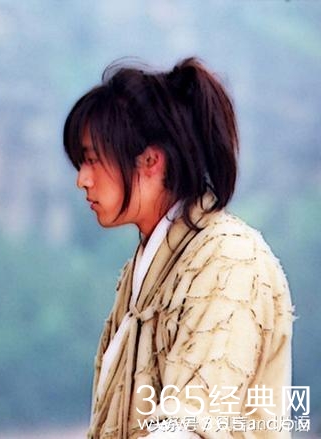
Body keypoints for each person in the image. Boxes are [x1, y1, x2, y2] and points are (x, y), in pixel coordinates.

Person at [63, 58, 293, 439]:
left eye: (91, 160)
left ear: (151, 161)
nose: (82, 179)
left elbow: (191, 426)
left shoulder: (229, 261)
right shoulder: (143, 271)